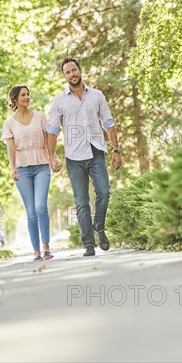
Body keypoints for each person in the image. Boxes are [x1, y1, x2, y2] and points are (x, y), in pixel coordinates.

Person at [46, 58, 122, 257]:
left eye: (74, 70)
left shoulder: (97, 96)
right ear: (65, 77)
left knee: (104, 192)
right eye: (68, 72)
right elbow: (52, 131)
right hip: (74, 157)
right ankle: (88, 244)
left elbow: (109, 123)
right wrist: (51, 156)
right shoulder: (59, 101)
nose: (72, 74)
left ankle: (100, 228)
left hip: (96, 151)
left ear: (80, 71)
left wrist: (116, 150)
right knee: (81, 202)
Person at [2, 85, 62, 261]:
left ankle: (46, 248)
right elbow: (11, 149)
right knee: (30, 211)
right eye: (23, 95)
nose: (27, 97)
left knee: (40, 206)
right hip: (22, 169)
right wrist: (12, 168)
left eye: (28, 94)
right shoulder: (9, 123)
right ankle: (36, 251)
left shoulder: (39, 117)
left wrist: (53, 158)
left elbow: (47, 141)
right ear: (15, 99)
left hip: (42, 164)